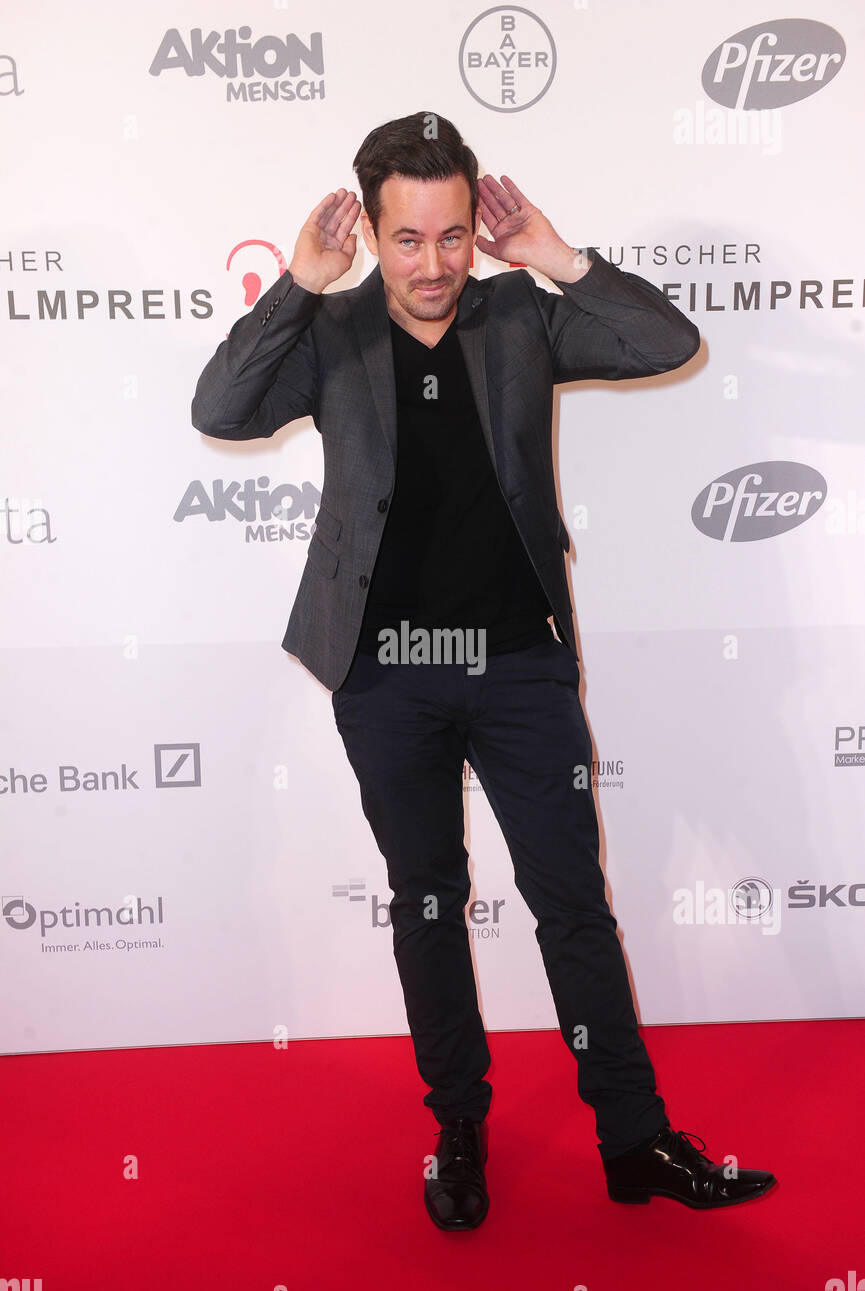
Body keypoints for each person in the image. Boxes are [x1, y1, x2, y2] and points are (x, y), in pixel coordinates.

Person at [192, 111, 776, 1231]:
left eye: (451, 236)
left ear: (474, 230)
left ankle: (634, 1134)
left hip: (518, 667)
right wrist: (297, 289)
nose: (431, 265)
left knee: (572, 905)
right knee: (428, 904)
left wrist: (556, 258)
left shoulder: (518, 317)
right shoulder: (333, 330)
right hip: (386, 672)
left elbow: (668, 342)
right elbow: (219, 410)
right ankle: (457, 1125)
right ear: (370, 230)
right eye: (406, 239)